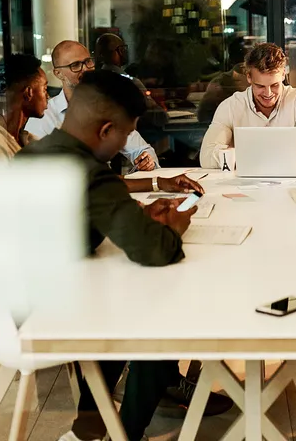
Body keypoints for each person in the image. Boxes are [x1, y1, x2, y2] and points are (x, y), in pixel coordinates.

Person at [18, 71, 226, 441]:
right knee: (158, 326)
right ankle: (124, 434)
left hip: (8, 307)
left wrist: (133, 217)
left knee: (126, 312)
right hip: (44, 316)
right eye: (125, 135)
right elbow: (156, 251)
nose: (124, 145)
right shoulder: (89, 173)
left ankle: (91, 426)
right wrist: (175, 226)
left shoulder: (35, 154)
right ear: (105, 131)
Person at [27, 40, 160, 173]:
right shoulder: (43, 115)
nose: (85, 69)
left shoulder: (107, 107)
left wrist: (145, 162)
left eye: (88, 62)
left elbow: (142, 150)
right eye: (76, 65)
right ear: (58, 73)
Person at [199, 42, 296, 168]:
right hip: (242, 186)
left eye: (274, 85)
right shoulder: (230, 106)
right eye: (260, 86)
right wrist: (285, 156)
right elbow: (207, 157)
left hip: (291, 185)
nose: (268, 94)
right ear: (249, 78)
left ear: (283, 74)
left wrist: (238, 156)